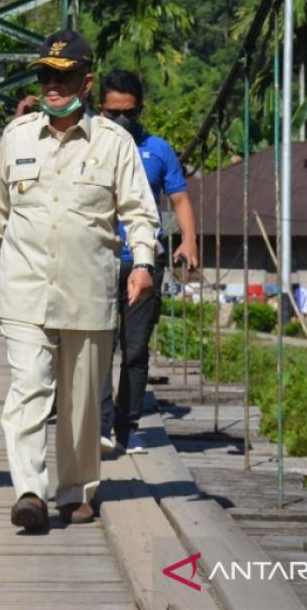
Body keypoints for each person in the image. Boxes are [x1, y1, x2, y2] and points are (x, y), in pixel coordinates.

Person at [0, 30, 160, 529]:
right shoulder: (17, 137)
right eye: (45, 76)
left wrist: (142, 263)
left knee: (81, 403)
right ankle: (30, 491)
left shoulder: (114, 142)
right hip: (25, 287)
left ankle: (76, 488)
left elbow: (141, 212)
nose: (53, 86)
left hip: (88, 289)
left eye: (64, 76)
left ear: (87, 81)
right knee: (29, 388)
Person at [96, 70, 197, 456]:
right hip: (99, 260)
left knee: (135, 350)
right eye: (113, 113)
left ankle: (127, 427)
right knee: (99, 347)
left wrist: (188, 239)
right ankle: (102, 424)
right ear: (100, 109)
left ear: (140, 109)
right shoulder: (87, 144)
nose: (122, 121)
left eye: (130, 113)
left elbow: (180, 199)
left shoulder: (159, 149)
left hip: (143, 261)